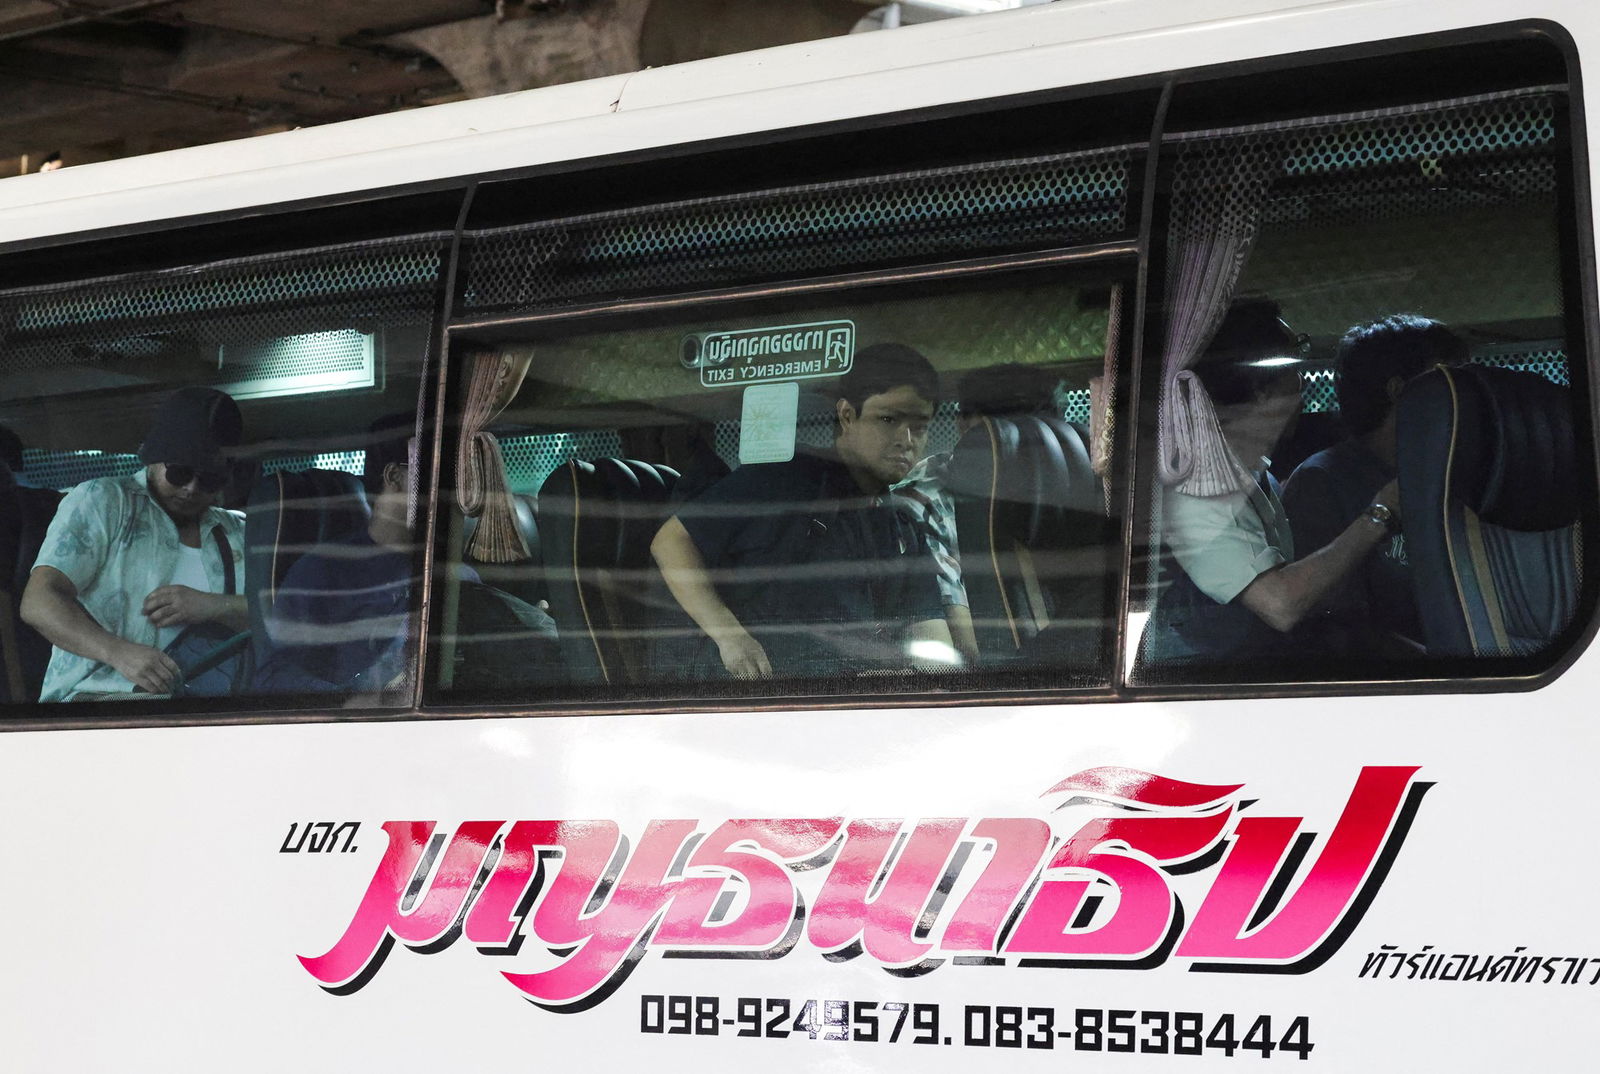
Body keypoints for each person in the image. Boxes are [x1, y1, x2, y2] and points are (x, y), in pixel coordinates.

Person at [651, 342, 958, 679]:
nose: (907, 439)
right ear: (846, 415)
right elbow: (671, 542)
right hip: (752, 702)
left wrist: (925, 680)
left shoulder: (900, 527)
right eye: (888, 419)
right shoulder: (781, 480)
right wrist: (731, 638)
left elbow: (930, 631)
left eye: (922, 425)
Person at [1150, 299, 1401, 664]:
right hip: (1205, 687)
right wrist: (1381, 513)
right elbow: (1280, 604)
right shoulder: (1196, 494)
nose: (1302, 386)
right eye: (1292, 369)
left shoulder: (1255, 476)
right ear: (1261, 390)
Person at [21, 387, 248, 700]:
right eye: (180, 473)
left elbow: (284, 618)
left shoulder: (237, 530)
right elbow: (38, 602)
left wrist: (213, 606)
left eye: (209, 480)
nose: (191, 489)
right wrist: (118, 653)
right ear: (154, 459)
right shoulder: (104, 502)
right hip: (97, 705)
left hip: (209, 710)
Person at [1283, 314, 1466, 653]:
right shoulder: (1321, 482)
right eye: (1448, 381)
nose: (1462, 397)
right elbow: (1334, 626)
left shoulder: (1454, 468)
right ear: (1399, 390)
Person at [894, 362, 1061, 664]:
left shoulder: (1057, 488)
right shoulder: (922, 503)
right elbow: (971, 645)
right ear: (964, 426)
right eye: (1005, 440)